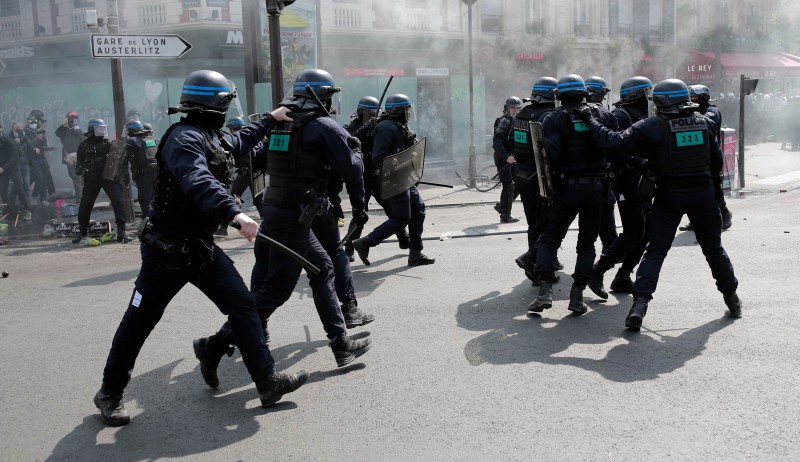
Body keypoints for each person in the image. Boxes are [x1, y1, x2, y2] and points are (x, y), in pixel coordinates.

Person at [94, 70, 306, 427]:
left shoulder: (208, 135)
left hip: (201, 248)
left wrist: (271, 119)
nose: (228, 108)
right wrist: (235, 213)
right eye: (226, 102)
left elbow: (235, 144)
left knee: (244, 307)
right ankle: (110, 393)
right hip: (166, 251)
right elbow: (198, 179)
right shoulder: (183, 139)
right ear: (215, 104)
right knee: (139, 322)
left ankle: (267, 382)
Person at [192, 68, 373, 391]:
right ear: (319, 96)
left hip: (275, 210)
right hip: (293, 217)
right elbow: (350, 169)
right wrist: (356, 154)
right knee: (277, 289)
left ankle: (340, 343)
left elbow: (261, 159)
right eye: (329, 95)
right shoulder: (323, 127)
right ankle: (215, 344)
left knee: (323, 269)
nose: (331, 102)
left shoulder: (282, 123)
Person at [581, 78, 741, 328]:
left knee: (655, 252)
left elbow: (613, 141)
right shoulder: (706, 123)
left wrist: (590, 120)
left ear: (660, 102)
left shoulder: (653, 125)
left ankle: (639, 305)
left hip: (670, 196)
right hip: (704, 195)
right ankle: (732, 299)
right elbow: (716, 163)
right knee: (714, 250)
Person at [527, 74, 618, 315]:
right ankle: (576, 297)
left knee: (549, 239)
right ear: (584, 93)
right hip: (597, 188)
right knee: (587, 244)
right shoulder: (603, 116)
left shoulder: (554, 119)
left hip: (566, 188)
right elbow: (614, 149)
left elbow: (550, 156)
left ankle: (544, 292)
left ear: (559, 96)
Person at [588, 76, 654, 298]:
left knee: (645, 233)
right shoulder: (621, 116)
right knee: (635, 231)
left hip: (643, 181)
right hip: (626, 181)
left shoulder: (645, 115)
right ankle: (598, 272)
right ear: (638, 95)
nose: (651, 97)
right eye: (647, 93)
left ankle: (624, 275)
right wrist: (639, 162)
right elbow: (614, 149)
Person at [352, 93, 435, 267]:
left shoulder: (398, 126)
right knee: (401, 218)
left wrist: (412, 170)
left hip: (404, 178)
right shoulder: (386, 128)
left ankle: (415, 252)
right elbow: (380, 158)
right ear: (398, 110)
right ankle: (365, 242)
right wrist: (402, 168)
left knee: (418, 209)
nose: (408, 113)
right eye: (406, 109)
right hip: (394, 180)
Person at [507, 76, 562, 284]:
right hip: (541, 176)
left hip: (522, 174)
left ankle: (546, 261)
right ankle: (538, 266)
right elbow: (553, 150)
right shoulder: (549, 116)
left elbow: (512, 140)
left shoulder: (522, 113)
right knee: (547, 223)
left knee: (533, 223)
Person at [344, 96, 410, 262]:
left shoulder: (380, 126)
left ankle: (404, 239)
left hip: (377, 175)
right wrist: (366, 128)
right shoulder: (350, 127)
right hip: (361, 179)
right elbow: (347, 143)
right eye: (372, 113)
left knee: (393, 210)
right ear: (363, 112)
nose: (375, 115)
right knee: (360, 214)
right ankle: (349, 247)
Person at [681, 84, 733, 231]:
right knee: (692, 191)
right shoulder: (690, 111)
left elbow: (702, 123)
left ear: (704, 98)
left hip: (710, 155)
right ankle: (695, 220)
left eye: (695, 97)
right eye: (690, 97)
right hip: (693, 156)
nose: (692, 100)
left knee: (715, 188)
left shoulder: (712, 111)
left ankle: (725, 216)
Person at [71, 119, 130, 244]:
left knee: (118, 202)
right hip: (92, 178)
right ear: (92, 129)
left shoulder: (109, 144)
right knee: (85, 205)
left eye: (104, 128)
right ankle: (82, 233)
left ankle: (121, 231)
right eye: (100, 128)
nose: (103, 131)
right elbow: (80, 161)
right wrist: (78, 168)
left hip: (108, 178)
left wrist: (125, 175)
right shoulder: (84, 145)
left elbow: (120, 161)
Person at [585, 76, 619, 252]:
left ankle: (539, 258)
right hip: (600, 178)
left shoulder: (563, 114)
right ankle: (611, 250)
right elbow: (615, 146)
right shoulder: (606, 115)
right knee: (605, 215)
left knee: (560, 223)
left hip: (567, 179)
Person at [215, 117, 263, 237]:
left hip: (245, 173)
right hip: (256, 172)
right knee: (259, 200)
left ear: (232, 128)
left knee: (232, 198)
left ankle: (223, 228)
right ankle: (269, 226)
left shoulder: (239, 137)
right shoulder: (250, 135)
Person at [492, 96, 522, 223]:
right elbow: (497, 142)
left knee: (520, 183)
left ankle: (501, 206)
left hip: (512, 157)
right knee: (508, 185)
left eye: (517, 108)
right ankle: (505, 215)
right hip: (503, 158)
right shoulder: (503, 121)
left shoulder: (516, 120)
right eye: (512, 108)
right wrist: (506, 157)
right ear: (507, 108)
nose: (515, 110)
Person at [124, 120, 158, 219]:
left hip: (144, 175)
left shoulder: (132, 141)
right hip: (157, 172)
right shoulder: (151, 139)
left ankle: (149, 223)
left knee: (144, 201)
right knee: (154, 200)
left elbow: (125, 157)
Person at [0, 124, 32, 220]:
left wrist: (3, 167)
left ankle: (27, 210)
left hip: (13, 167)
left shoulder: (8, 140)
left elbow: (15, 157)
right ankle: (9, 209)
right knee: (2, 189)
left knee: (19, 188)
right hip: (3, 168)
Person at [55, 111, 84, 201]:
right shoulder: (63, 130)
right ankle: (80, 197)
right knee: (76, 177)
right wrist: (64, 125)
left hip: (79, 155)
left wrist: (78, 130)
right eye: (72, 119)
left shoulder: (77, 130)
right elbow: (57, 133)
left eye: (75, 119)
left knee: (82, 176)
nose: (73, 121)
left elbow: (83, 141)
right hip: (70, 156)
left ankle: (83, 194)